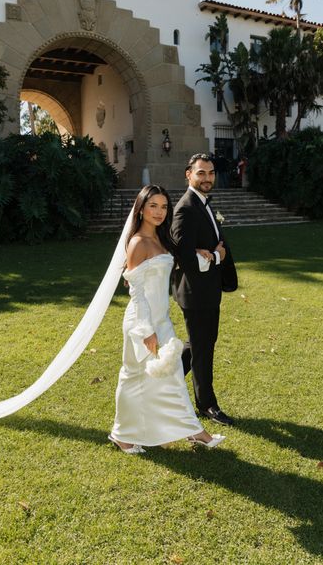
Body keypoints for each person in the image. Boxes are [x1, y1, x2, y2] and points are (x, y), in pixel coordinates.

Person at [109, 185, 225, 453]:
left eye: (164, 207)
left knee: (167, 376)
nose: (159, 212)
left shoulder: (161, 239)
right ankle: (124, 435)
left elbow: (171, 264)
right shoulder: (138, 242)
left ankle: (188, 431)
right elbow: (137, 294)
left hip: (161, 319)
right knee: (133, 376)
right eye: (153, 206)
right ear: (141, 209)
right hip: (143, 322)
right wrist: (146, 330)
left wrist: (204, 255)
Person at [171, 154, 237, 427]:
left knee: (199, 344)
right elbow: (183, 256)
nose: (207, 178)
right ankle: (207, 404)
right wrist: (216, 256)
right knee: (203, 347)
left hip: (208, 289)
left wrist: (214, 256)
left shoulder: (204, 203)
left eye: (210, 173)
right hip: (195, 291)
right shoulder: (185, 208)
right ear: (188, 174)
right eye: (201, 173)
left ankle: (162, 383)